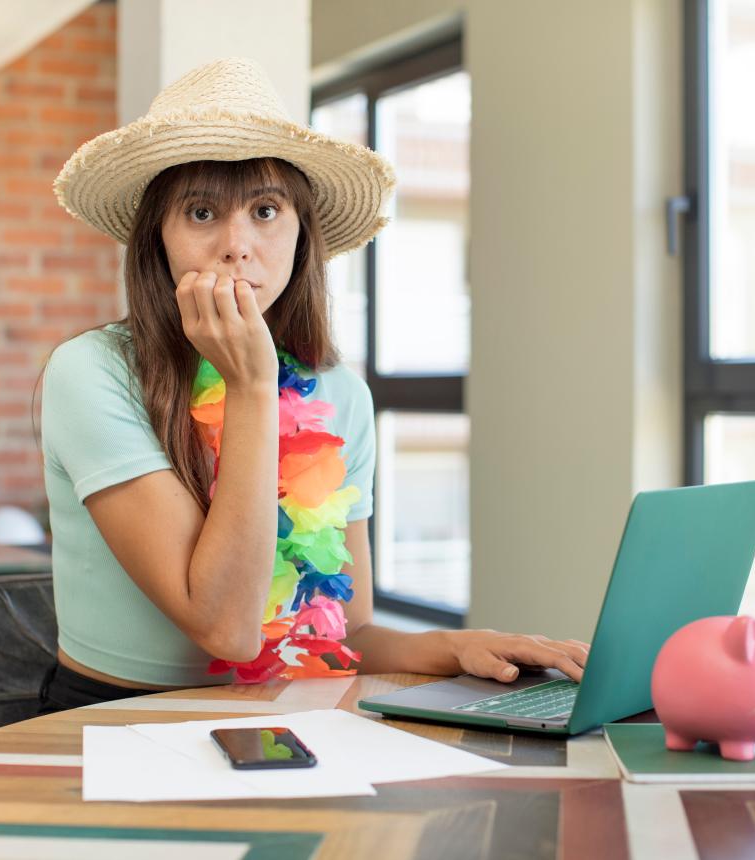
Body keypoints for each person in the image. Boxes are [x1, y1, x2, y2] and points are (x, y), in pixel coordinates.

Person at [36, 57, 588, 714]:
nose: (238, 245)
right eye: (203, 212)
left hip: (274, 716)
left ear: (303, 236)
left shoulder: (340, 395)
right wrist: (251, 388)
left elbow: (342, 634)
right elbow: (228, 630)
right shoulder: (92, 373)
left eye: (266, 211)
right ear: (158, 239)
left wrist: (458, 644)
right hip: (105, 723)